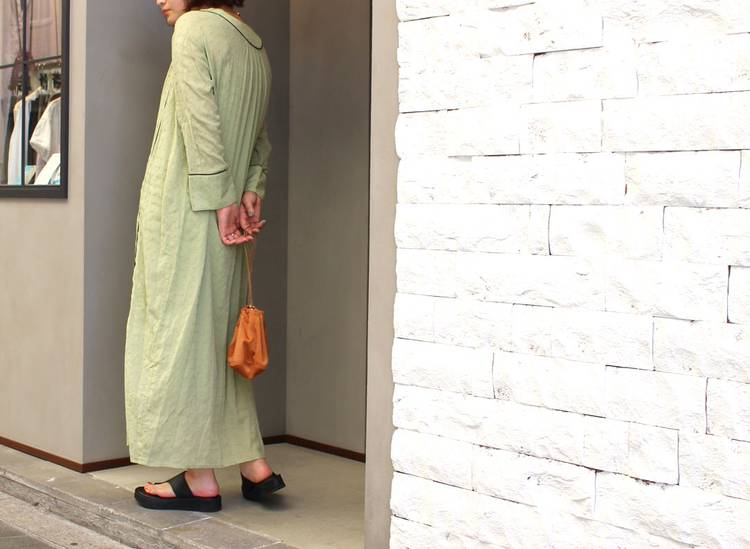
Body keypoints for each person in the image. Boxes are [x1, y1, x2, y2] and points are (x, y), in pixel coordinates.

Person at [123, 0, 285, 512]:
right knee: (217, 340)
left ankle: (198, 478)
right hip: (227, 214)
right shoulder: (254, 45)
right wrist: (250, 190)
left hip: (190, 212)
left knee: (180, 336)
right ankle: (253, 464)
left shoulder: (193, 28)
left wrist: (219, 201)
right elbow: (258, 137)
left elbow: (200, 122)